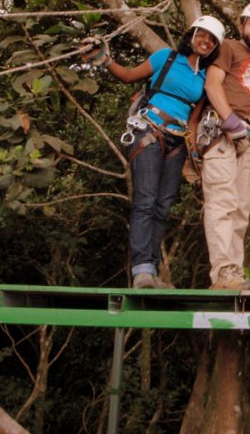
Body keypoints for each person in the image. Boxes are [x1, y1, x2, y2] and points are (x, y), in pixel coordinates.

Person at [82, 16, 223, 289]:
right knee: (146, 200)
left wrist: (195, 153)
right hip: (148, 130)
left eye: (212, 40)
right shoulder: (166, 58)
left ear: (215, 47)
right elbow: (128, 76)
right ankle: (141, 272)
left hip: (178, 141)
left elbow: (193, 121)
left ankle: (152, 272)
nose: (205, 41)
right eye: (202, 35)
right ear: (191, 35)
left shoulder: (205, 78)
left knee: (163, 206)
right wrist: (105, 59)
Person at [201, 2, 250, 289]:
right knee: (222, 202)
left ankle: (234, 273)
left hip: (247, 136)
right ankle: (222, 272)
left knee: (242, 208)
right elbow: (212, 84)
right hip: (221, 132)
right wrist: (228, 120)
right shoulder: (229, 47)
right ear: (242, 26)